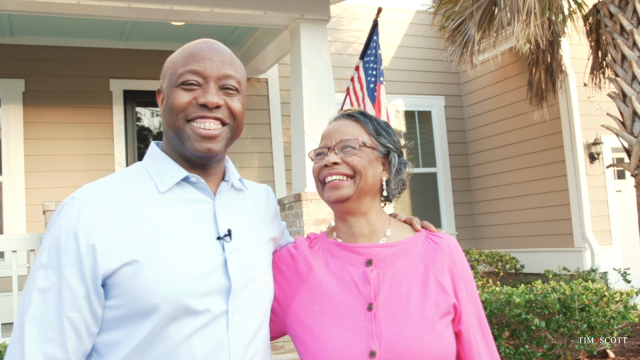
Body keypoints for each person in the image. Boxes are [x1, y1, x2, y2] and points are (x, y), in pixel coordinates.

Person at [6, 40, 433, 360]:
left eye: (229, 89)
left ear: (242, 106)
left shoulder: (259, 206)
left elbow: (328, 270)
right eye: (191, 85)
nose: (212, 98)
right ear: (160, 99)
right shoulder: (90, 214)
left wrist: (394, 231)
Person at [270, 109, 501, 360]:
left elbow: (479, 351)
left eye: (347, 148)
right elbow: (228, 327)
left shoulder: (440, 252)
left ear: (385, 165)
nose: (329, 159)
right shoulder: (293, 264)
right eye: (321, 153)